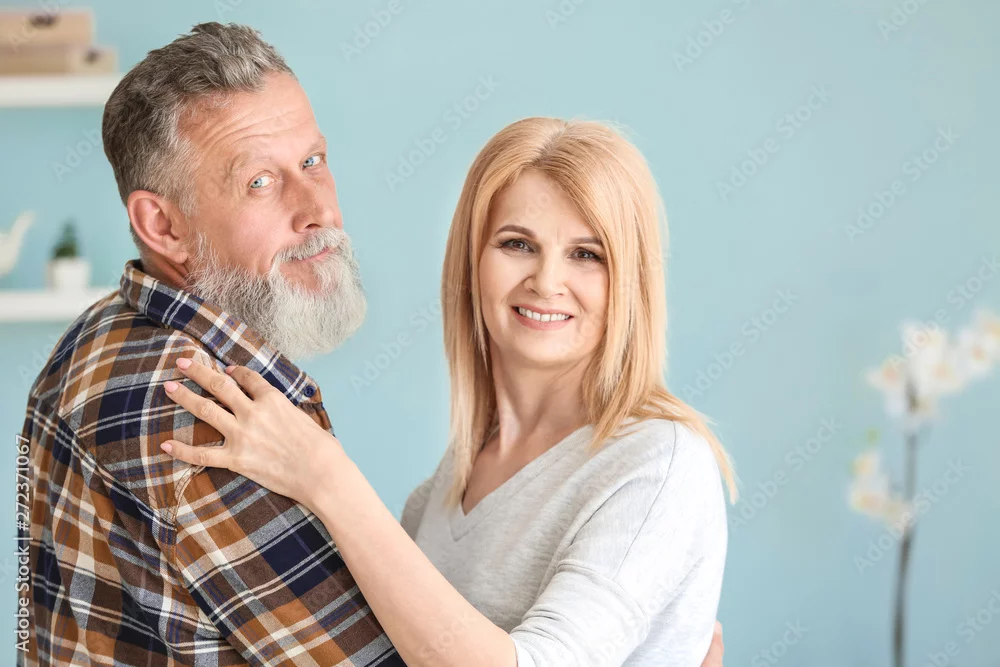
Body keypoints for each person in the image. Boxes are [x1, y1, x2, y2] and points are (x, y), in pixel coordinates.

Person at [17, 22, 725, 667]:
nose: (319, 209)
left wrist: (327, 476)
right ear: (162, 226)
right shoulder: (217, 414)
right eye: (261, 181)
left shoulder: (92, 346)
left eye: (314, 160)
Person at [158, 116, 737, 666]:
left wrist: (325, 477)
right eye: (517, 244)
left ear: (629, 281)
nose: (547, 281)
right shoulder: (447, 487)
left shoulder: (659, 466)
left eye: (587, 255)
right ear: (472, 260)